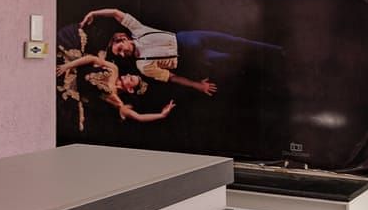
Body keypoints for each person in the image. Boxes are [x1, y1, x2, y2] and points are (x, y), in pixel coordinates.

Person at [80, 7, 282, 92]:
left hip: (188, 38)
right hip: (191, 57)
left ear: (123, 39)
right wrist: (198, 86)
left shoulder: (138, 31)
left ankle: (277, 51)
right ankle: (276, 63)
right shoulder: (143, 67)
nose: (123, 52)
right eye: (120, 54)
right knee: (235, 58)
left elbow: (116, 13)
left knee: (236, 41)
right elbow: (173, 78)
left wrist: (94, 13)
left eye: (120, 48)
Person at [56, 54, 177, 124]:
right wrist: (67, 66)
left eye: (131, 79)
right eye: (130, 75)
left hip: (65, 90)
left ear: (130, 90)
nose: (128, 75)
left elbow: (138, 117)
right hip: (67, 71)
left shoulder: (116, 101)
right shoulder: (114, 69)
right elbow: (91, 58)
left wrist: (161, 115)